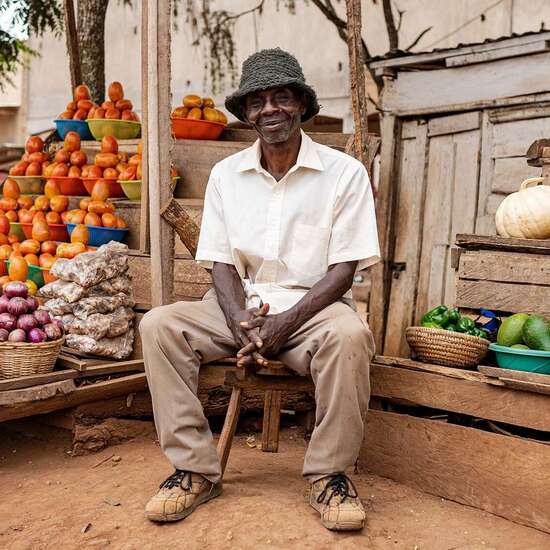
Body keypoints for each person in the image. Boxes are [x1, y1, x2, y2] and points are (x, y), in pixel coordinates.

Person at [139, 47, 380, 532]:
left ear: (301, 106)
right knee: (159, 325)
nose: (270, 109)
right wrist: (245, 327)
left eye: (282, 97)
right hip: (240, 307)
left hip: (315, 306)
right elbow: (222, 264)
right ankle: (194, 471)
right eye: (258, 101)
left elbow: (342, 272)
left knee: (351, 338)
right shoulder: (228, 175)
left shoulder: (344, 173)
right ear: (246, 114)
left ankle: (328, 476)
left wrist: (280, 327)